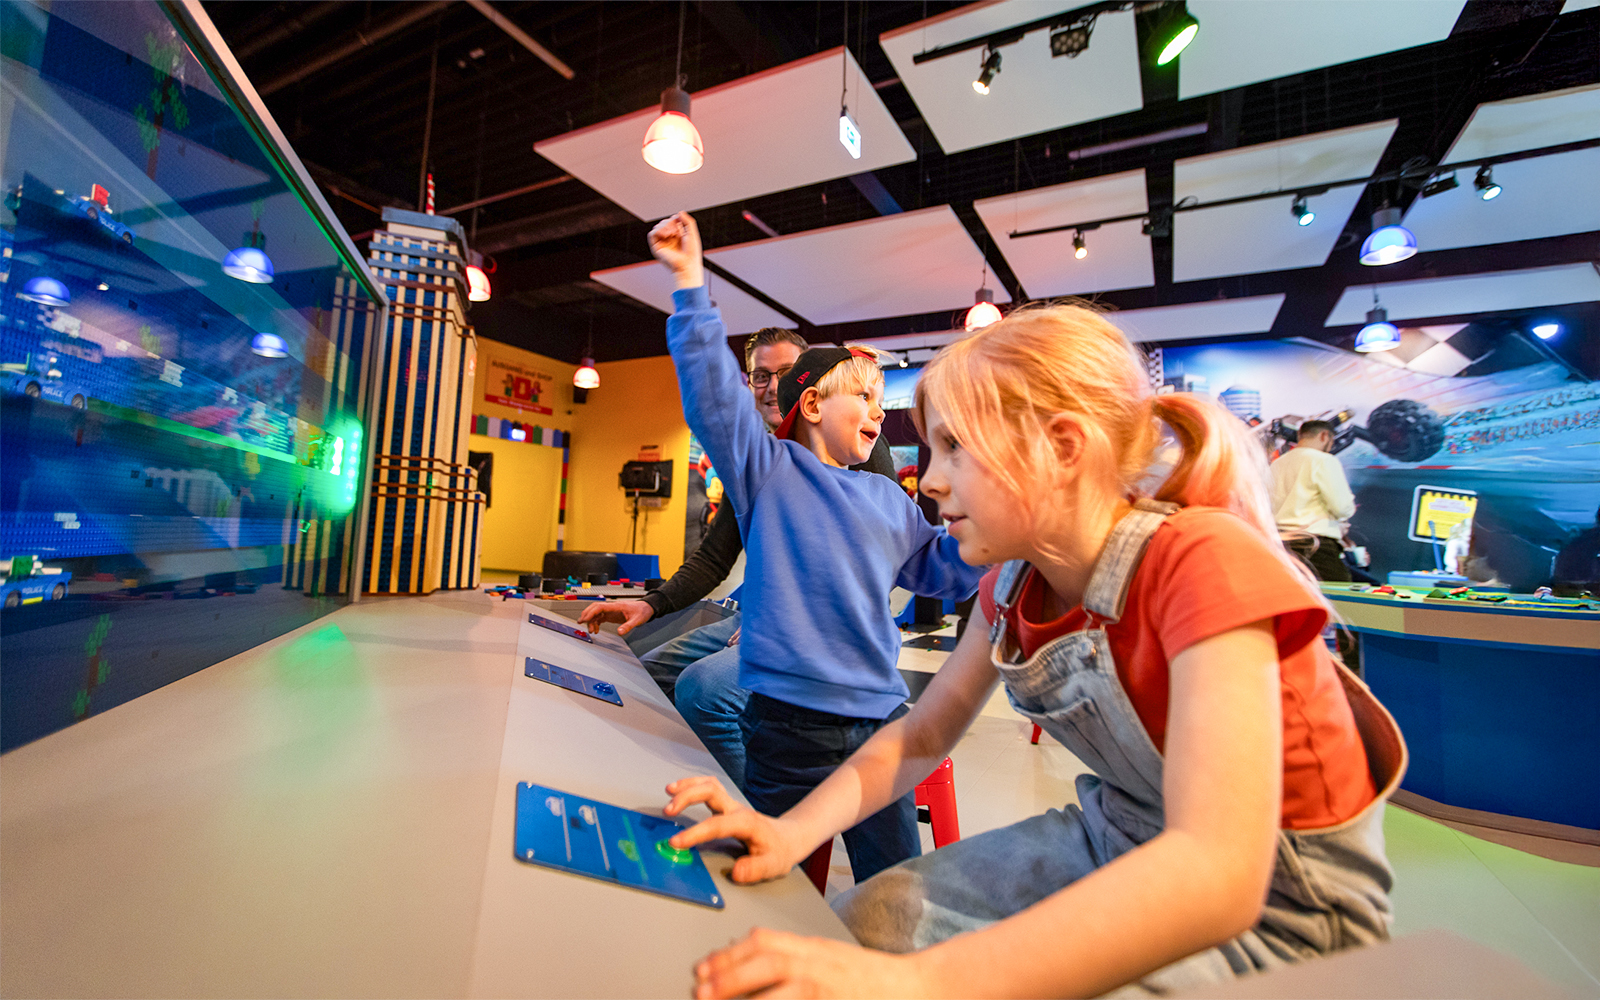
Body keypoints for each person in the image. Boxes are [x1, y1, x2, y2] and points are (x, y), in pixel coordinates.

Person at [661, 302, 1405, 998]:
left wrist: (917, 985)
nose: (935, 478)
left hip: (1284, 904)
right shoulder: (1013, 585)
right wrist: (788, 831)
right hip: (1114, 831)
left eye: (956, 448)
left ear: (1061, 448)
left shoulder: (1200, 561)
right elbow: (920, 735)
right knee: (867, 921)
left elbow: (1218, 873)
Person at [648, 211, 983, 885]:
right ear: (808, 407)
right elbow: (714, 396)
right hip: (786, 730)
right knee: (770, 876)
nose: (877, 410)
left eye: (880, 399)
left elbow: (946, 573)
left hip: (879, 728)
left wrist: (997, 532)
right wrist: (690, 283)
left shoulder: (892, 500)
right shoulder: (767, 474)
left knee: (896, 886)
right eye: (862, 395)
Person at [576, 328, 897, 789]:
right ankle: (689, 787)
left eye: (784, 373)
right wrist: (652, 603)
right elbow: (714, 556)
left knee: (702, 692)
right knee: (649, 676)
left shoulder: (857, 440)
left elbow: (880, 553)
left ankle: (768, 827)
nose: (770, 386)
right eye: (760, 376)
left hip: (833, 626)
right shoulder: (759, 458)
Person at [1269, 419, 1356, 583]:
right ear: (1324, 436)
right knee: (1341, 598)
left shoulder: (1277, 463)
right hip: (1315, 545)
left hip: (1280, 543)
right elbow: (1342, 508)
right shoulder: (1323, 460)